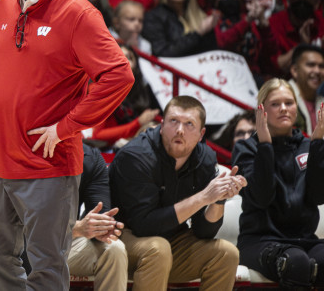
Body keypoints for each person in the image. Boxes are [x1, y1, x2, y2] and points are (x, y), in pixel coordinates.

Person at [0, 0, 134, 289]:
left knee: (47, 268)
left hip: (48, 166)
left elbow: (119, 76)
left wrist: (67, 127)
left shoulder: (78, 13)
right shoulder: (1, 5)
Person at [109, 96, 243, 290]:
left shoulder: (205, 159)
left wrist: (218, 199)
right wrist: (204, 197)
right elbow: (143, 225)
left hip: (171, 241)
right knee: (158, 249)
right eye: (174, 121)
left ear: (201, 133)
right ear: (162, 125)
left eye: (189, 124)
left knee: (226, 253)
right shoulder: (136, 156)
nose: (180, 130)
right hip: (121, 238)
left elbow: (203, 231)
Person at [231, 79, 324, 288]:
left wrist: (318, 143)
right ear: (261, 110)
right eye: (275, 104)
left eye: (289, 103)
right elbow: (262, 197)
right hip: (260, 240)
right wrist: (265, 145)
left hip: (303, 239)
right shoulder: (246, 148)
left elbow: (318, 196)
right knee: (296, 262)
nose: (283, 109)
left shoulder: (308, 145)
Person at [67, 144, 127, 291]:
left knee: (114, 248)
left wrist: (102, 228)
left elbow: (101, 212)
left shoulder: (90, 158)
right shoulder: (24, 152)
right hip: (23, 242)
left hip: (66, 241)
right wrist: (78, 228)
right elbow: (24, 223)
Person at [142, 0, 218, 58]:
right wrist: (197, 34)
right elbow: (161, 53)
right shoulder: (154, 17)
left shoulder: (201, 17)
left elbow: (213, 54)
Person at [284, 44, 324, 134]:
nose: (317, 71)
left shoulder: (322, 102)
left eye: (321, 66)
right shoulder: (280, 100)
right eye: (311, 65)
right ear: (294, 70)